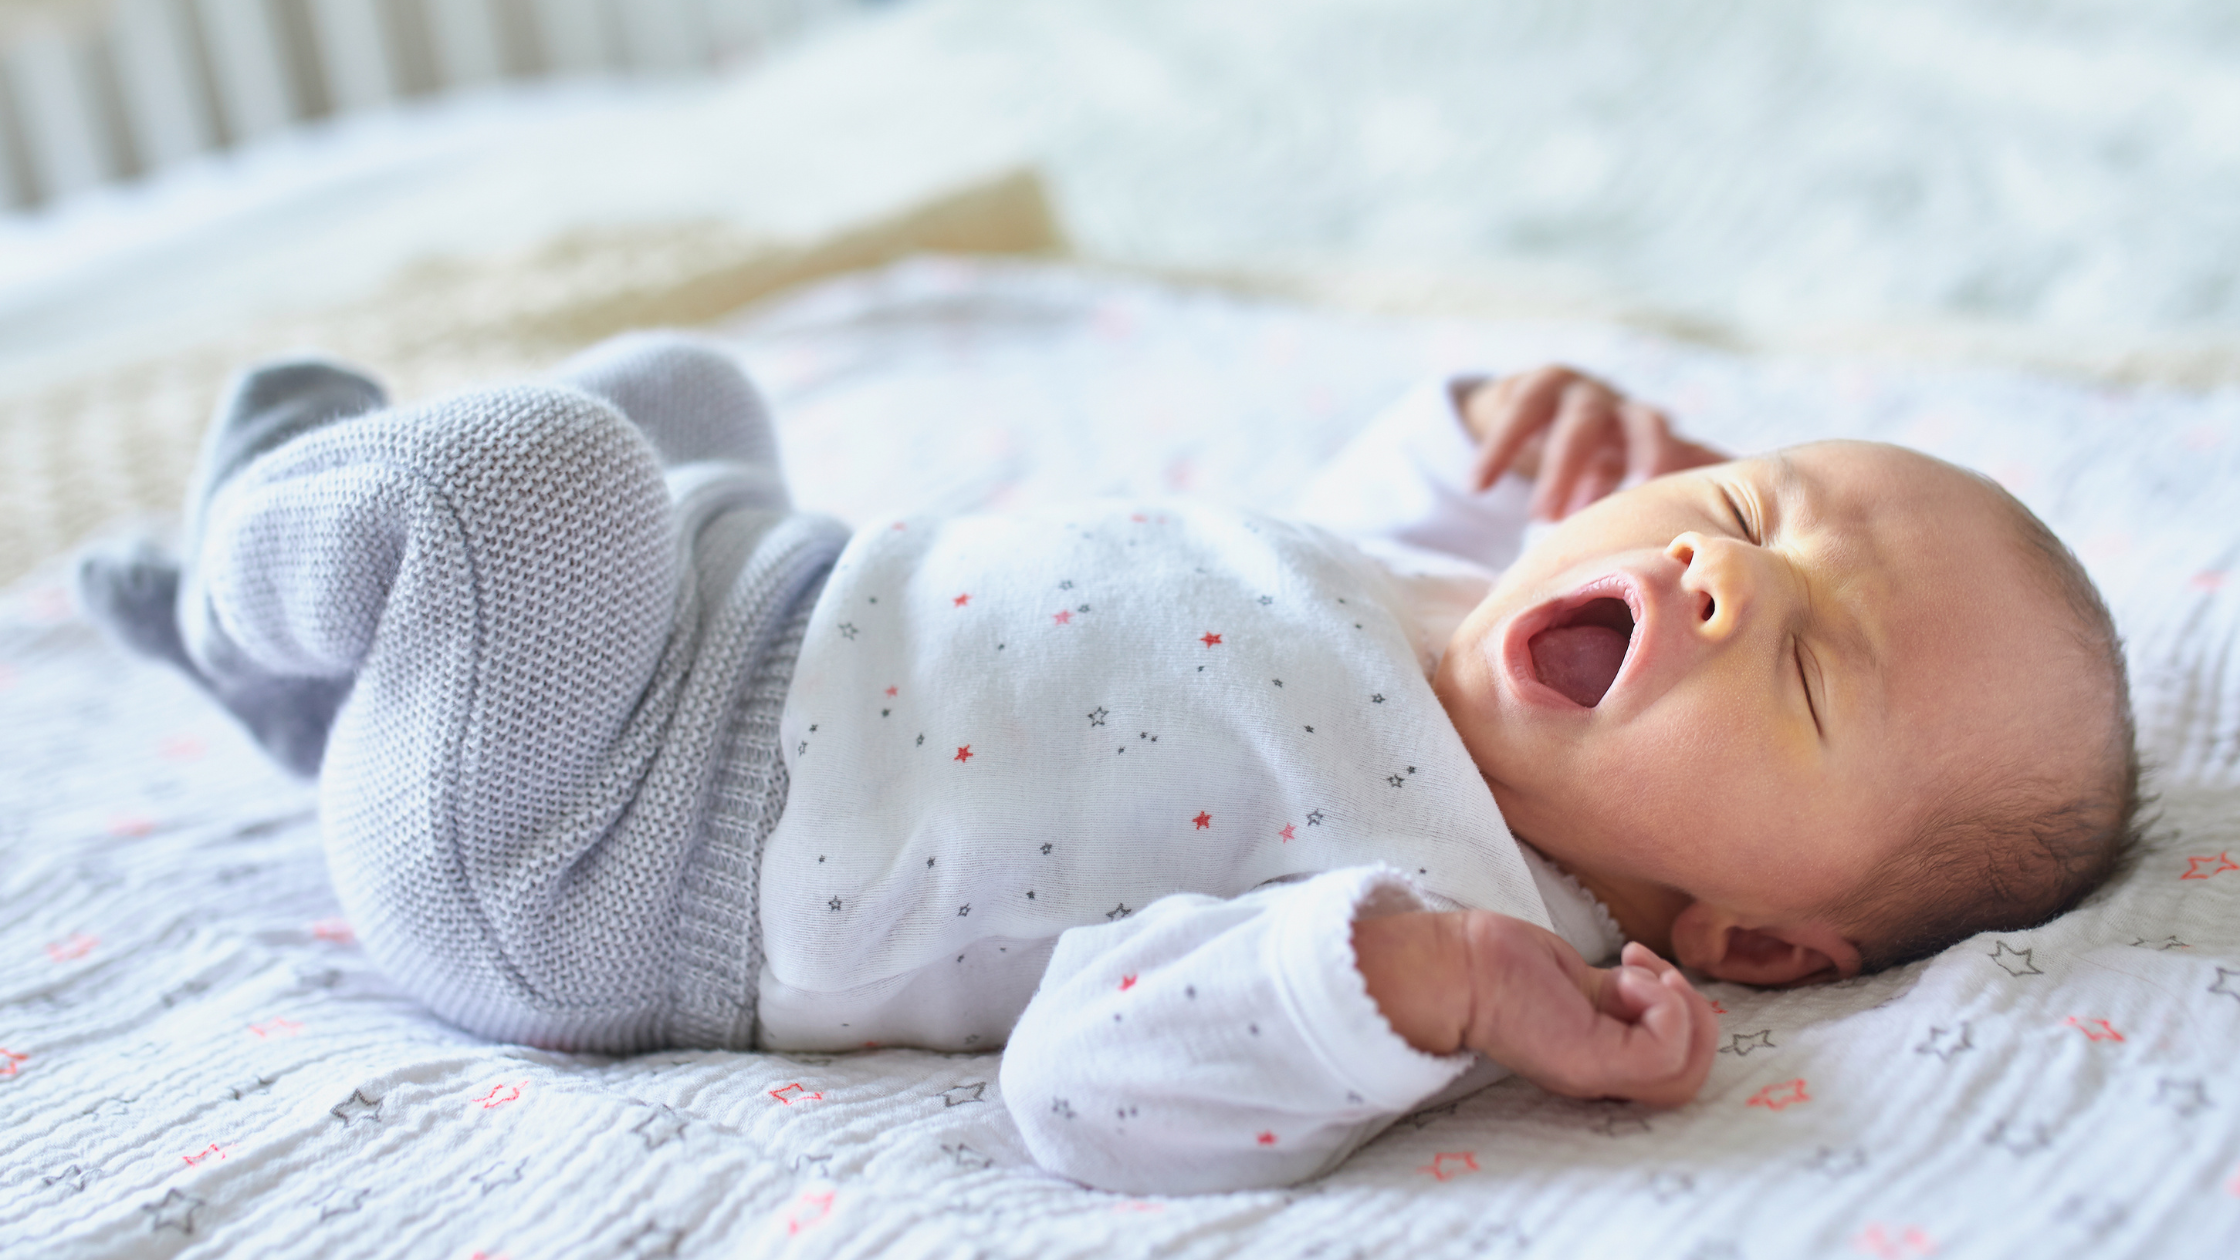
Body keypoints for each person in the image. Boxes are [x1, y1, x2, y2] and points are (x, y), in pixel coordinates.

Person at [74, 334, 2139, 1195]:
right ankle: (330, 697)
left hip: (594, 851)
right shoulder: (1445, 611)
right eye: (1755, 510)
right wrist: (1476, 433)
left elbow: (1089, 1087)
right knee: (681, 391)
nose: (1714, 582)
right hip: (741, 606)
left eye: (1805, 674)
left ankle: (259, 578)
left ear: (1754, 939)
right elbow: (1262, 564)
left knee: (526, 480)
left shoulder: (1448, 903)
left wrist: (1413, 987)